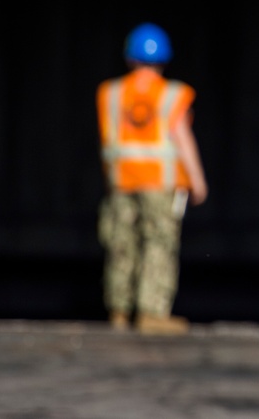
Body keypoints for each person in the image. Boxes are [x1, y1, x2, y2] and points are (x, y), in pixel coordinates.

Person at [96, 22, 209, 335]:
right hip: (160, 184)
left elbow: (108, 141)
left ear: (130, 58)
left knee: (121, 245)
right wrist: (197, 179)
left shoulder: (112, 94)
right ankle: (151, 313)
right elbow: (181, 136)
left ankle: (119, 310)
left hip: (122, 183)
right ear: (164, 59)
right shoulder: (171, 95)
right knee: (158, 245)